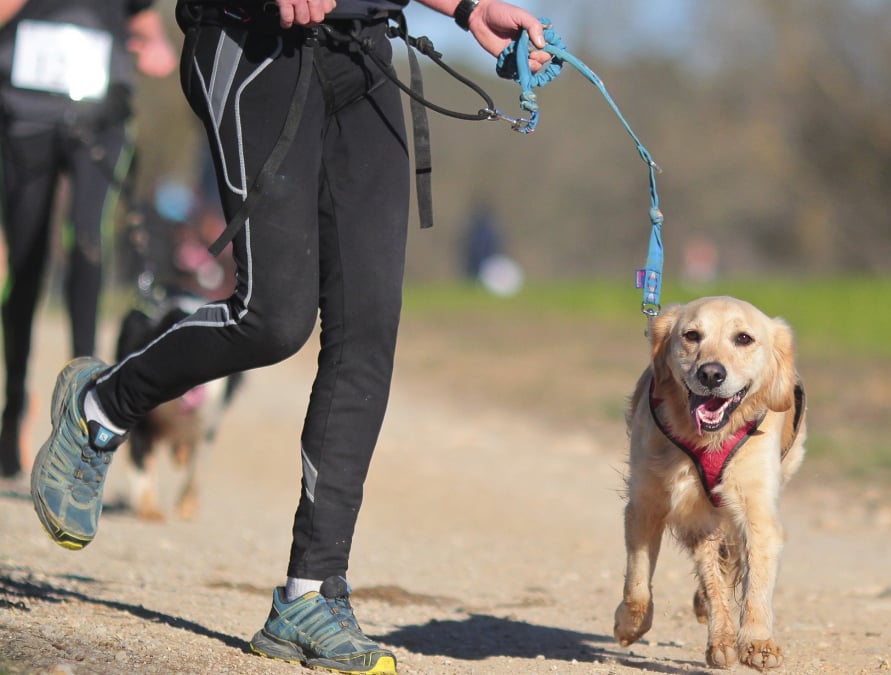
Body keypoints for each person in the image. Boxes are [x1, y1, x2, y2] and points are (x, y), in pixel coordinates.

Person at [28, 1, 549, 673]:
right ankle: (101, 403)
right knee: (272, 318)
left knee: (367, 332)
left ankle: (309, 593)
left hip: (363, 51)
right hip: (252, 42)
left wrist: (469, 8)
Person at [0, 0, 177, 479]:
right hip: (23, 118)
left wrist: (156, 45)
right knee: (27, 263)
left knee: (87, 244)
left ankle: (81, 413)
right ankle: (14, 403)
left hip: (100, 118)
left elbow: (143, 22)